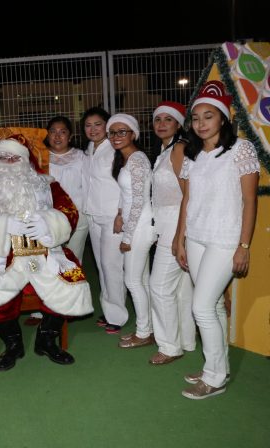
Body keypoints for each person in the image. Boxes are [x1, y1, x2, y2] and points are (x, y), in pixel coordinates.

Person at [0, 135, 93, 371]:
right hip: (2, 254)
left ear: (25, 160)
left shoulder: (45, 183)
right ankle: (14, 344)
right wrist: (2, 226)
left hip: (44, 250)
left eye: (15, 156)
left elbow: (69, 210)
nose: (10, 161)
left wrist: (49, 222)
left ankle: (46, 339)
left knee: (72, 283)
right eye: (4, 156)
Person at [174, 81, 260, 399]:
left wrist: (244, 245)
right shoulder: (192, 154)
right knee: (211, 306)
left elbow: (251, 201)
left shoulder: (241, 149)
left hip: (226, 238)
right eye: (196, 118)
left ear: (222, 118)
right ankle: (216, 365)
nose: (201, 124)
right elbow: (187, 201)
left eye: (208, 116)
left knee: (201, 307)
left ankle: (215, 378)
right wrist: (180, 238)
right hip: (196, 236)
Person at [25, 116, 89, 326]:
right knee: (45, 264)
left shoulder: (81, 157)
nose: (58, 136)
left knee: (70, 262)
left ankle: (65, 308)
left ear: (70, 135)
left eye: (62, 131)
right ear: (47, 135)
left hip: (76, 219)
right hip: (46, 222)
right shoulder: (39, 158)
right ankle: (40, 311)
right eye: (53, 131)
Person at [148, 101, 196, 365]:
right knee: (180, 289)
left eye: (169, 119)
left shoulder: (179, 148)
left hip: (177, 227)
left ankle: (169, 346)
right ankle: (186, 340)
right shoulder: (163, 152)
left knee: (159, 287)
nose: (162, 124)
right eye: (157, 119)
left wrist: (181, 237)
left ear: (178, 124)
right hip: (166, 226)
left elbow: (188, 195)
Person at [109, 114, 156, 349]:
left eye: (122, 132)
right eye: (113, 133)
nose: (116, 137)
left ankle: (144, 332)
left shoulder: (137, 160)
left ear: (134, 134)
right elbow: (126, 194)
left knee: (132, 281)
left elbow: (139, 201)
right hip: (133, 224)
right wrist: (119, 213)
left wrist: (127, 236)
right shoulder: (125, 159)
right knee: (142, 281)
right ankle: (148, 328)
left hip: (140, 227)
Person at [81, 107, 127, 334]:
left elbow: (125, 185)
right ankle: (109, 309)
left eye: (98, 124)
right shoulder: (89, 150)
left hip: (112, 217)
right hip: (93, 215)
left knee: (112, 266)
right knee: (101, 266)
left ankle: (117, 316)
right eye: (88, 125)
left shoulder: (115, 150)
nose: (93, 129)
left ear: (107, 126)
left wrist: (121, 214)